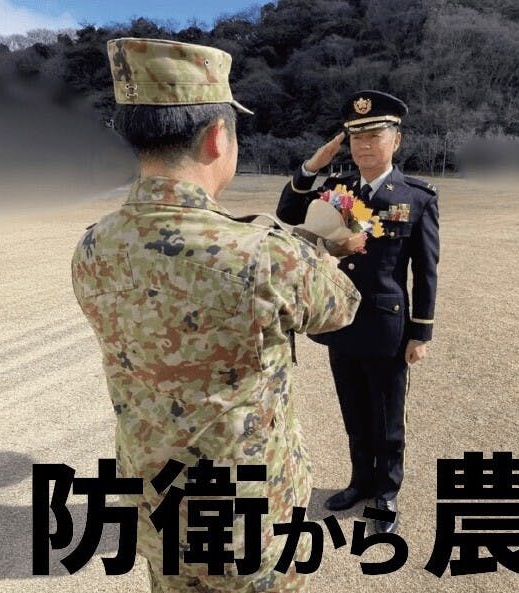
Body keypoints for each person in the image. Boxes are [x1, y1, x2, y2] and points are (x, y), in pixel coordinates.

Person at [71, 38, 361, 593]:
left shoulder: (92, 246)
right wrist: (321, 250)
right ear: (216, 137)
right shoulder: (264, 254)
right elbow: (341, 307)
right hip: (246, 515)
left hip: (154, 501)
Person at [276, 90, 439, 534]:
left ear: (396, 141)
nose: (364, 146)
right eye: (356, 138)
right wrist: (313, 165)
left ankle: (386, 492)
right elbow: (289, 211)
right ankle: (359, 481)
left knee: (387, 416)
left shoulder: (417, 196)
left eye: (374, 136)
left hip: (387, 325)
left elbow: (426, 271)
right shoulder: (338, 189)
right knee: (353, 410)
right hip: (340, 321)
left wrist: (421, 333)